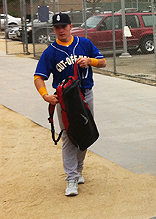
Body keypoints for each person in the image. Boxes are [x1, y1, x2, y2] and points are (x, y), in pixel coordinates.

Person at [33, 12, 106, 196]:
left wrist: (90, 61)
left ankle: (79, 169)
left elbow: (103, 62)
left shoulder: (85, 44)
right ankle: (71, 178)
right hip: (65, 99)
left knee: (85, 132)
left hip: (85, 94)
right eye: (57, 27)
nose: (61, 30)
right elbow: (38, 77)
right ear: (54, 29)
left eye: (64, 26)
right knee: (68, 134)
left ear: (70, 26)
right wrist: (45, 95)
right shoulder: (51, 51)